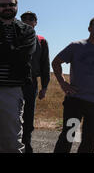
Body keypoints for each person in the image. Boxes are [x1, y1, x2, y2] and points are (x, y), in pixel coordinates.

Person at [52, 16, 94, 153]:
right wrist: (63, 83)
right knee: (69, 136)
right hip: (76, 100)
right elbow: (56, 62)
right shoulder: (76, 46)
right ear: (89, 29)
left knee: (89, 140)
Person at [0, 0, 36, 153]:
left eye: (11, 4)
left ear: (16, 6)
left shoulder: (27, 31)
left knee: (11, 141)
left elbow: (23, 56)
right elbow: (16, 54)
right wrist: (12, 51)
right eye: (3, 5)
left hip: (11, 89)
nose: (7, 7)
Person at [20, 11, 50, 153]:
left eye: (31, 19)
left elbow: (45, 65)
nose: (27, 21)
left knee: (28, 116)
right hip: (12, 83)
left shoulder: (41, 40)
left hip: (31, 84)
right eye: (24, 18)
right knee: (10, 116)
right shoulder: (13, 37)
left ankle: (27, 145)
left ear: (35, 22)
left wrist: (44, 87)